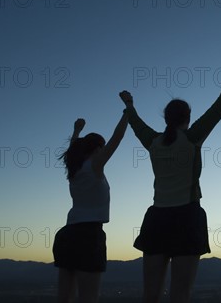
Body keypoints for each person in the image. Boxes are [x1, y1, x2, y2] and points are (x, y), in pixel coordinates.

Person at [120, 67, 221, 303]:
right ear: (188, 118)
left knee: (150, 295)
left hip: (157, 219)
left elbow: (135, 123)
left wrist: (130, 104)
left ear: (166, 118)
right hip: (187, 217)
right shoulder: (193, 138)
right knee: (180, 295)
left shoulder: (153, 141)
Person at [53, 109, 129, 303]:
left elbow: (72, 149)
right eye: (102, 147)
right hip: (89, 235)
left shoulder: (75, 167)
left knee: (65, 297)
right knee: (89, 298)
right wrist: (128, 111)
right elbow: (117, 138)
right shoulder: (95, 165)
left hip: (68, 234)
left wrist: (77, 130)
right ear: (97, 149)